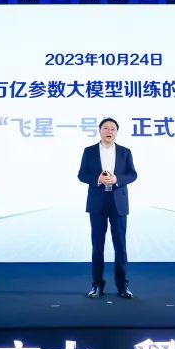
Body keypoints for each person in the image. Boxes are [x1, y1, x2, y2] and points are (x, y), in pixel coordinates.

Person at [77, 117, 137, 299]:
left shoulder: (125, 152)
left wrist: (117, 179)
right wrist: (97, 178)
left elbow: (132, 174)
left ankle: (122, 286)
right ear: (100, 130)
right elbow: (81, 175)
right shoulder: (89, 151)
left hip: (118, 203)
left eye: (112, 129)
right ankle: (97, 285)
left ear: (116, 132)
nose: (109, 131)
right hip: (97, 203)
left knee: (120, 246)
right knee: (97, 246)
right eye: (106, 128)